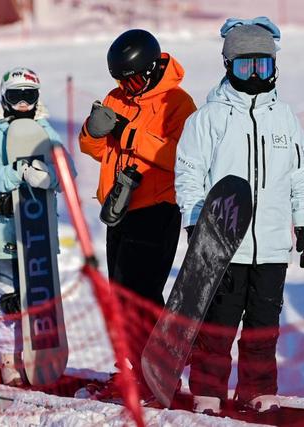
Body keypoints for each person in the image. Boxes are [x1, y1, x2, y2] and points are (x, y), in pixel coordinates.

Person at [174, 17, 304, 414]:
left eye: (262, 65)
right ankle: (208, 391)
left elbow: (301, 176)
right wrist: (195, 221)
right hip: (225, 244)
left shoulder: (284, 118)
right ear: (228, 66)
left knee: (263, 324)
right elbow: (189, 174)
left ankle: (257, 390)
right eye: (244, 66)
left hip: (272, 245)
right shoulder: (209, 118)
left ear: (274, 66)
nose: (254, 75)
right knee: (218, 324)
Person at [78, 29, 197, 395]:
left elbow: (180, 156)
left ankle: (156, 368)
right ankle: (138, 367)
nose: (125, 89)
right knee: (121, 294)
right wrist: (92, 131)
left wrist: (127, 133)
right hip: (119, 209)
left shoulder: (177, 103)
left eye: (130, 80)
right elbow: (95, 149)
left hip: (157, 209)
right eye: (119, 81)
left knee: (140, 294)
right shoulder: (116, 98)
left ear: (150, 69)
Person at [0, 67, 75, 385]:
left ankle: (40, 355)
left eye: (28, 96)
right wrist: (17, 172)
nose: (21, 104)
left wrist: (49, 177)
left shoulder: (45, 131)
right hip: (2, 233)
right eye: (15, 96)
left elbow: (68, 171)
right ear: (4, 97)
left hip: (37, 234)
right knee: (9, 297)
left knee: (39, 295)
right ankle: (10, 359)